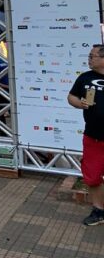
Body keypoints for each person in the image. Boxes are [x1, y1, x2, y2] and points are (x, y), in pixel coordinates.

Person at [68, 44, 104, 226]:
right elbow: (71, 97)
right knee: (93, 176)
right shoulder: (85, 77)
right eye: (89, 56)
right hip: (93, 136)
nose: (89, 59)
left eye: (93, 56)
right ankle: (99, 211)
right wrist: (79, 103)